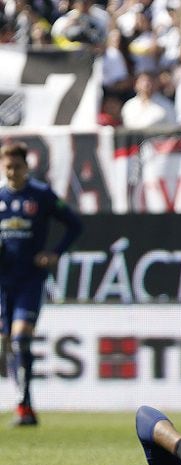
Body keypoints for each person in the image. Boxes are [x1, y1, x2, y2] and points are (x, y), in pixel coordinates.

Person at [0, 142, 83, 426]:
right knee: (6, 342)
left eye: (17, 167)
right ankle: (21, 402)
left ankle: (25, 406)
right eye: (8, 167)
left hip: (29, 280)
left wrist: (54, 253)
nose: (12, 172)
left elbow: (74, 224)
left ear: (27, 167)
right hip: (3, 281)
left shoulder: (41, 195)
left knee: (21, 337)